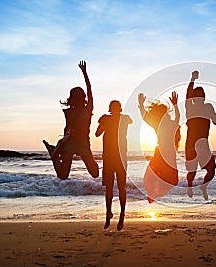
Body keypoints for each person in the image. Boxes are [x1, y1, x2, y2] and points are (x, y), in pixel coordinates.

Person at [43, 60, 99, 180]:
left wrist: (85, 73)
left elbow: (90, 90)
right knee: (63, 175)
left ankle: (54, 152)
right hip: (70, 142)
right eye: (76, 96)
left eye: (80, 95)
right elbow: (67, 127)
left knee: (95, 173)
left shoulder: (88, 109)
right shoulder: (70, 112)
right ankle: (54, 154)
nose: (78, 98)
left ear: (83, 97)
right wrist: (64, 140)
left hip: (83, 142)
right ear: (72, 98)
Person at [95, 100, 132, 231]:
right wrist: (104, 124)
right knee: (109, 187)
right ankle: (108, 213)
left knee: (121, 187)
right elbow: (97, 133)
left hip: (120, 157)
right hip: (109, 158)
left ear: (120, 109)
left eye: (117, 108)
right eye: (113, 108)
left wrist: (107, 122)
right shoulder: (106, 119)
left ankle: (122, 215)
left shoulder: (125, 119)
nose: (115, 111)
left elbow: (130, 120)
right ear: (110, 109)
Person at [138, 91, 180, 203]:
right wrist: (175, 105)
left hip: (165, 152)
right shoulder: (162, 124)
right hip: (165, 152)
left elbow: (145, 117)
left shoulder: (164, 124)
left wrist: (141, 106)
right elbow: (145, 117)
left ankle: (155, 191)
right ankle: (154, 191)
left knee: (169, 178)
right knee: (168, 177)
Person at [185, 71, 216, 200]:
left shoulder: (207, 107)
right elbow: (187, 93)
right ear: (193, 97)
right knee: (193, 171)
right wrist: (192, 80)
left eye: (202, 95)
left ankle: (202, 186)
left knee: (211, 169)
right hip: (192, 146)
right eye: (198, 95)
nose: (201, 97)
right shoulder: (190, 107)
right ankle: (190, 184)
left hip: (201, 146)